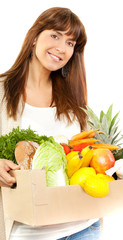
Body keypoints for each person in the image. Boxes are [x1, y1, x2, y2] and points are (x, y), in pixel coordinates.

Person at [0, 7, 101, 240]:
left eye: (70, 43)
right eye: (55, 35)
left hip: (84, 228)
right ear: (34, 37)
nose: (61, 48)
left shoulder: (74, 99)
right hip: (28, 233)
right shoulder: (3, 91)